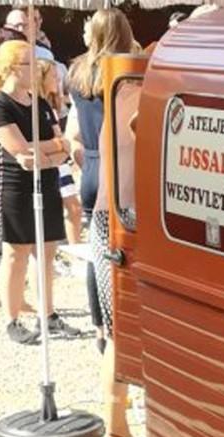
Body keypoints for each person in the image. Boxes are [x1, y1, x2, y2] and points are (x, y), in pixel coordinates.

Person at [67, 8, 144, 437]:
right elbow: (137, 133)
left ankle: (120, 419)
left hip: (94, 179)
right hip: (123, 191)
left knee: (106, 302)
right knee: (125, 315)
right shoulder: (128, 80)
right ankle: (117, 428)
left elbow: (75, 139)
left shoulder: (79, 75)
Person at [0, 40, 72, 345]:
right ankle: (12, 318)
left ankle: (48, 313)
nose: (35, 69)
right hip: (15, 186)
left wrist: (45, 152)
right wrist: (49, 150)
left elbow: (63, 145)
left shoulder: (40, 103)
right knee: (16, 251)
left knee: (46, 251)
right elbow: (18, 149)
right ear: (10, 68)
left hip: (46, 181)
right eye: (28, 64)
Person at [67, 9, 133, 353]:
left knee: (96, 253)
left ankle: (99, 328)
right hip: (118, 167)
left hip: (91, 163)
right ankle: (124, 323)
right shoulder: (125, 72)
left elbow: (76, 130)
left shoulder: (77, 71)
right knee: (122, 252)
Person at [40, 60, 82, 244]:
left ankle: (75, 245)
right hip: (48, 166)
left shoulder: (49, 106)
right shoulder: (37, 107)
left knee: (74, 208)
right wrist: (57, 146)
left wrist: (57, 146)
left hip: (61, 164)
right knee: (54, 210)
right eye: (53, 76)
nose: (57, 80)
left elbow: (62, 141)